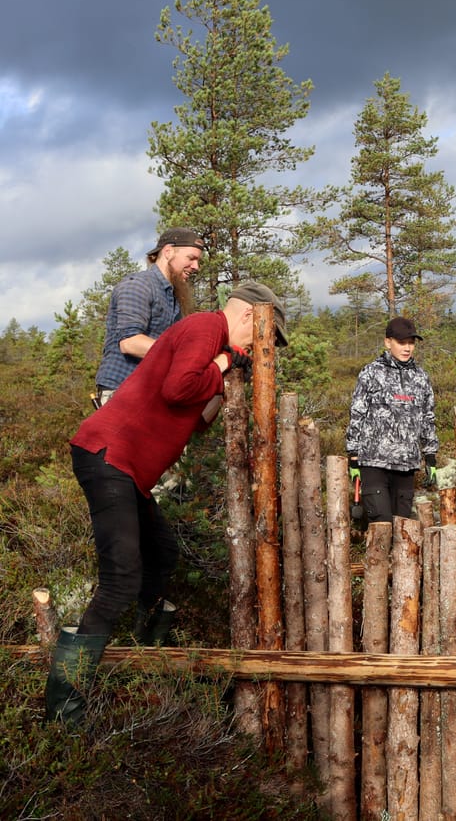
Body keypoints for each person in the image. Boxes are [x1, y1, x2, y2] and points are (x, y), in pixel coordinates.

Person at [49, 282, 288, 726]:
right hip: (110, 457)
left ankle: (143, 657)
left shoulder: (213, 342)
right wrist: (222, 361)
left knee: (162, 554)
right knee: (121, 580)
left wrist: (226, 378)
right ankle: (65, 711)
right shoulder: (204, 327)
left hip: (126, 469)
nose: (260, 348)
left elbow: (196, 419)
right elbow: (180, 389)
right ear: (246, 318)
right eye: (262, 337)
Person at [94, 227, 205, 407]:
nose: (196, 267)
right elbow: (130, 343)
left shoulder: (173, 296)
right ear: (168, 251)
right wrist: (187, 356)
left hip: (148, 391)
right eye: (191, 258)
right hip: (121, 390)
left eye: (197, 261)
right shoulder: (138, 285)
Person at [346, 317, 440, 524]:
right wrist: (353, 456)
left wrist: (430, 455)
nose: (407, 348)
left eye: (411, 343)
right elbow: (357, 414)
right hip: (373, 462)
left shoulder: (421, 377)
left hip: (407, 465)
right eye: (402, 342)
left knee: (403, 529)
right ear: (388, 342)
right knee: (381, 524)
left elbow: (427, 417)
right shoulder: (371, 372)